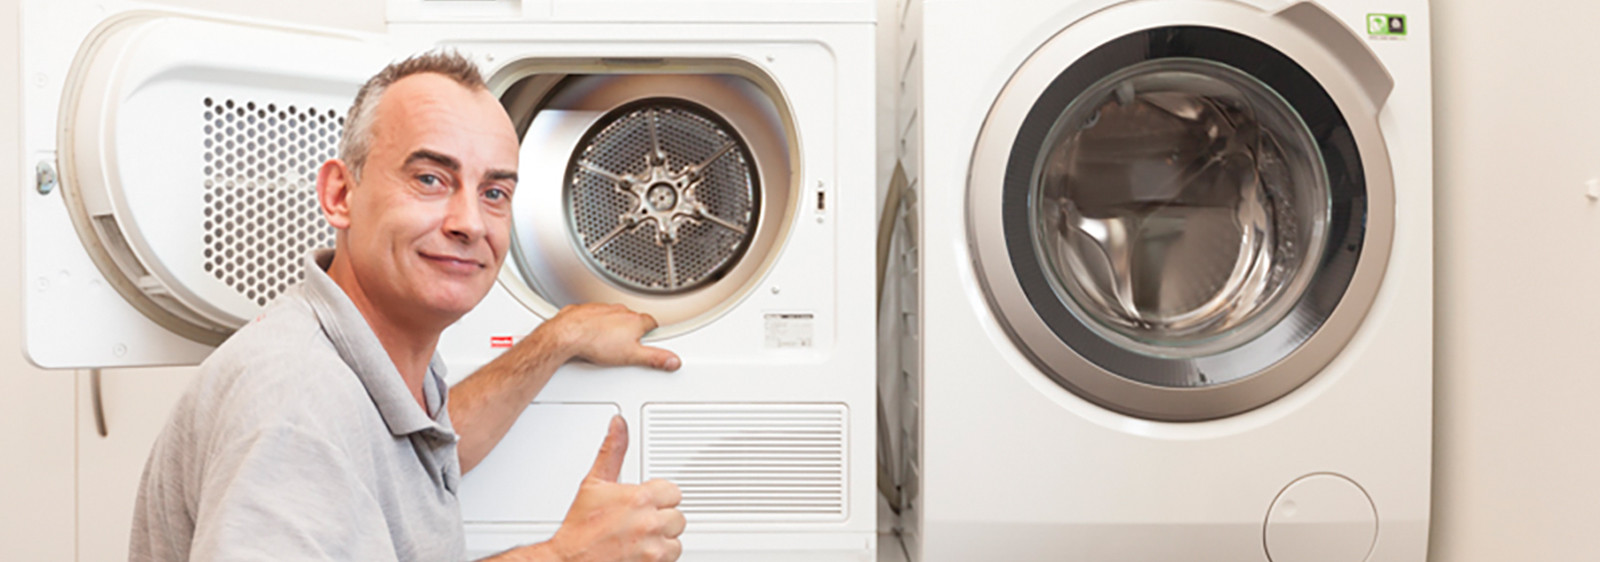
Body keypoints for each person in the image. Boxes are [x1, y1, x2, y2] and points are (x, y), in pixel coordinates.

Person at [129, 51, 687, 562]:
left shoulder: (368, 359)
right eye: (429, 179)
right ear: (340, 196)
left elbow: (413, 457)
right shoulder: (296, 402)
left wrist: (557, 338)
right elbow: (324, 443)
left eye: (494, 192)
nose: (469, 222)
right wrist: (565, 558)